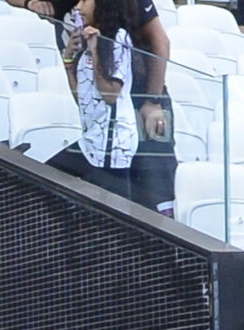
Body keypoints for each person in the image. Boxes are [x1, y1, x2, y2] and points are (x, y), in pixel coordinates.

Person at [59, 0, 171, 210]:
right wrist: (68, 61)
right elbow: (81, 99)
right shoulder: (86, 40)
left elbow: (110, 94)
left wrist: (96, 52)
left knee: (116, 215)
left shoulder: (118, 38)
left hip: (113, 145)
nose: (78, 7)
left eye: (85, 2)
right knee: (49, 177)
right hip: (91, 140)